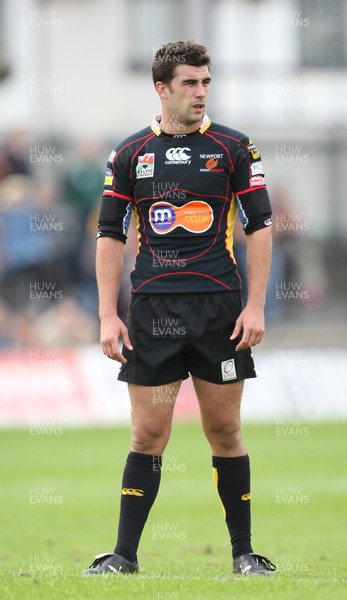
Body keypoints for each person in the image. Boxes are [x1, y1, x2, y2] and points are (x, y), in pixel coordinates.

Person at [83, 41, 275, 577]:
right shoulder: (129, 155)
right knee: (147, 435)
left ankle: (243, 555)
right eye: (190, 83)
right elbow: (108, 234)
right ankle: (124, 556)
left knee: (225, 431)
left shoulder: (236, 147)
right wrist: (106, 314)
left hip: (219, 309)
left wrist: (256, 306)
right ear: (162, 88)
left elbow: (259, 226)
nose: (200, 91)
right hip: (152, 310)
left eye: (206, 82)